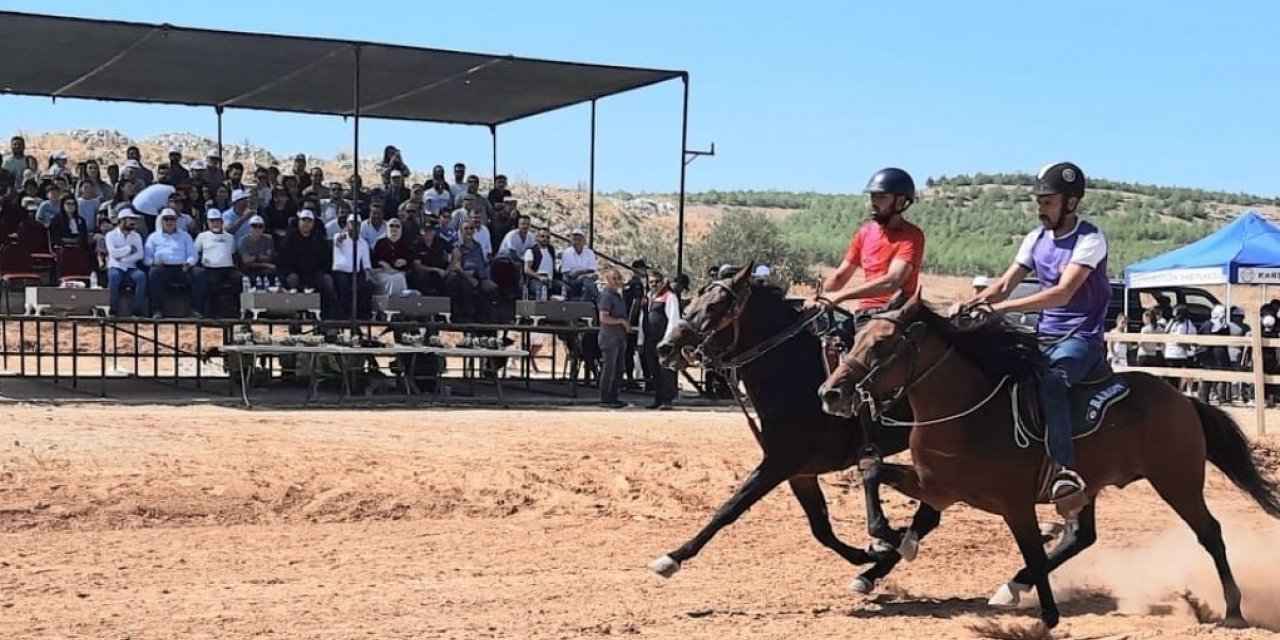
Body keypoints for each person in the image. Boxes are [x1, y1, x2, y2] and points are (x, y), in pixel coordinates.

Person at [953, 161, 1109, 511]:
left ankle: (1066, 472)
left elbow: (1063, 293)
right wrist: (971, 304)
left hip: (1081, 339)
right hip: (1044, 336)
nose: (1041, 209)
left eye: (1048, 202)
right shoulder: (1035, 239)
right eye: (1039, 202)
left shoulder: (1090, 239)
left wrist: (1003, 309)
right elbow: (1005, 285)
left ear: (1071, 203)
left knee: (1052, 381)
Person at [811, 168, 925, 311]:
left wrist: (841, 296)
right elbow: (840, 276)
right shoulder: (865, 232)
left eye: (881, 197)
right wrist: (818, 298)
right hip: (865, 313)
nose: (874, 202)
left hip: (895, 313)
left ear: (900, 201)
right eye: (873, 196)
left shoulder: (911, 236)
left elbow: (891, 282)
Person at [597, 267, 630, 409]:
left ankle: (614, 397)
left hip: (619, 337)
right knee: (609, 368)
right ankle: (605, 398)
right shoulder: (607, 296)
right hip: (609, 337)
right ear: (607, 281)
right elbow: (604, 318)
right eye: (614, 279)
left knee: (618, 369)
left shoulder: (618, 296)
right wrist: (621, 322)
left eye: (619, 278)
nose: (617, 281)